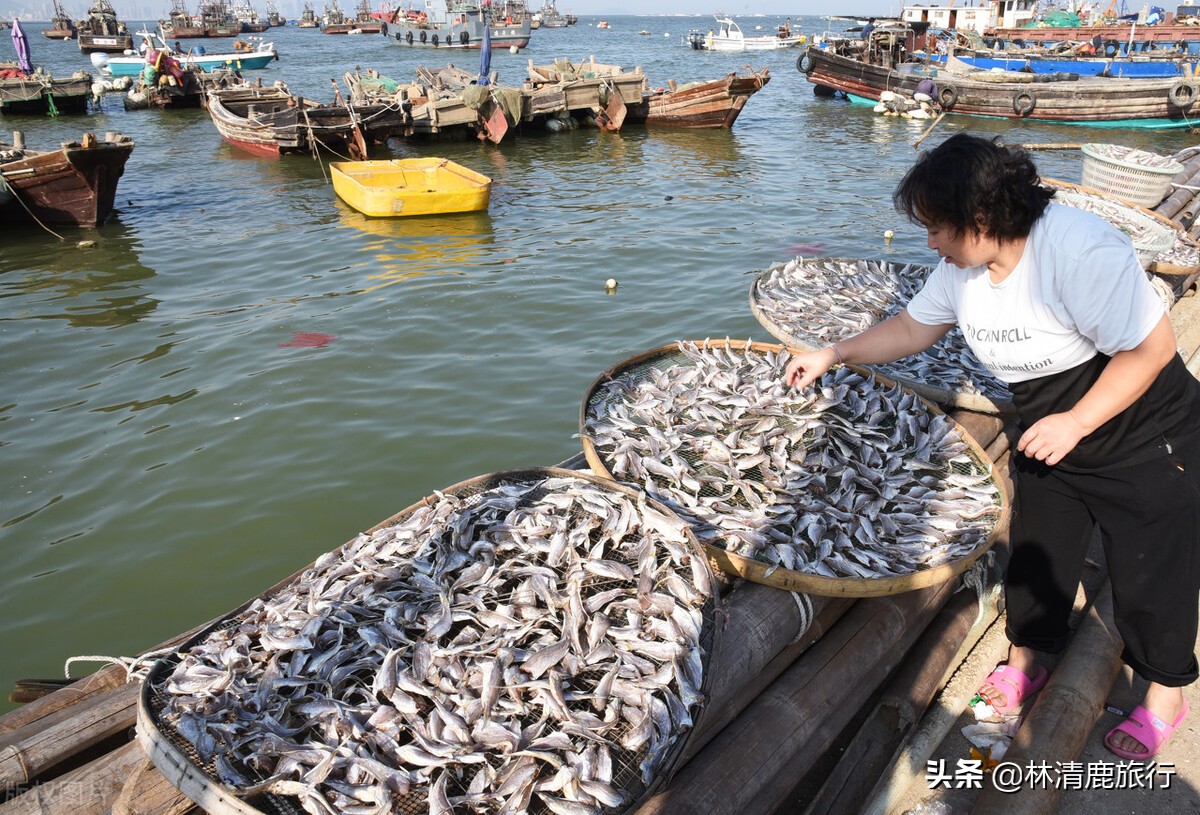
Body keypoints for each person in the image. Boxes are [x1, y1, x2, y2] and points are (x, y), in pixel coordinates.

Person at [783, 133, 1200, 761]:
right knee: (1040, 554)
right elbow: (914, 327)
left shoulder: (1079, 250)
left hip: (1143, 429)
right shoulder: (964, 269)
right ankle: (1028, 658)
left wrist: (1077, 423)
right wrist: (835, 352)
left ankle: (1165, 692)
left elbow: (1151, 351)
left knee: (1151, 570)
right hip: (1046, 424)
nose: (929, 244)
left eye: (936, 228)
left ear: (981, 220)